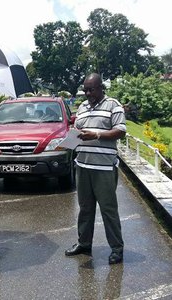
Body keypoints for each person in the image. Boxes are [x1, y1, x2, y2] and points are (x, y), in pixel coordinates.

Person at [65, 73, 126, 264]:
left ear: (101, 87)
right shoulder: (82, 107)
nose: (88, 93)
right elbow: (77, 131)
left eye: (92, 89)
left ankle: (117, 248)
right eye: (85, 89)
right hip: (82, 166)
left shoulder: (113, 105)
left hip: (104, 168)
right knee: (85, 208)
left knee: (108, 209)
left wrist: (97, 134)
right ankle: (84, 243)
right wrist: (69, 139)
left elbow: (120, 131)